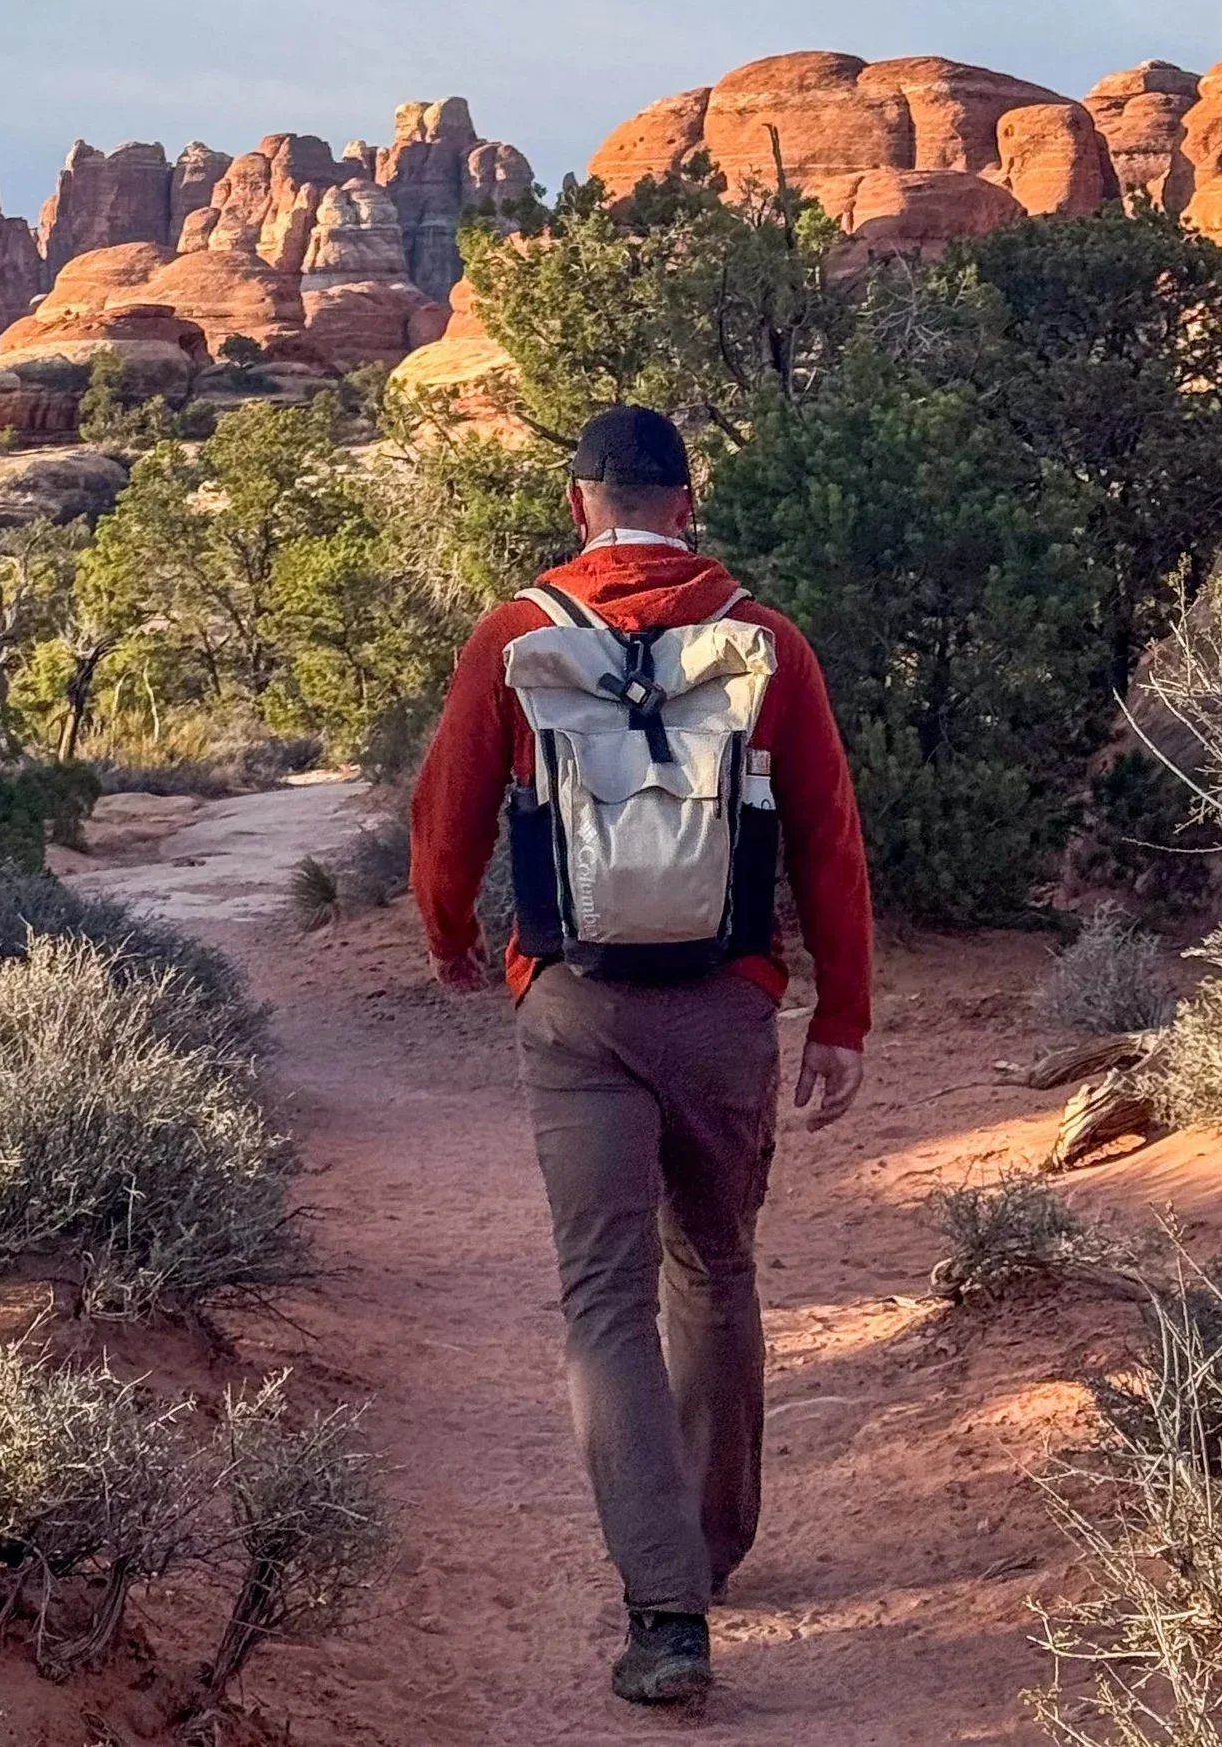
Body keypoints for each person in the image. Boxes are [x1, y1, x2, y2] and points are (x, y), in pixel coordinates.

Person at [410, 402, 871, 1712]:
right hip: (727, 1004)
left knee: (604, 1299)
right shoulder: (768, 642)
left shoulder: (517, 637)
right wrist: (841, 1017)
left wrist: (451, 940)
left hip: (574, 1004)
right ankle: (713, 1548)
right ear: (688, 495)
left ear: (579, 504)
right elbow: (831, 840)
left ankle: (665, 1612)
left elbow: (445, 818)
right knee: (714, 1265)